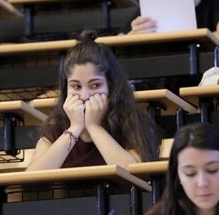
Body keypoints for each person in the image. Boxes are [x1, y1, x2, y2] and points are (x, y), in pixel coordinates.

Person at [27, 31, 161, 171]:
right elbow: (32, 178)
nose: (85, 95)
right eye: (76, 86)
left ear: (111, 86)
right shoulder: (55, 130)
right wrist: (75, 128)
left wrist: (94, 126)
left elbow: (136, 174)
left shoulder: (133, 123)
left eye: (95, 85)